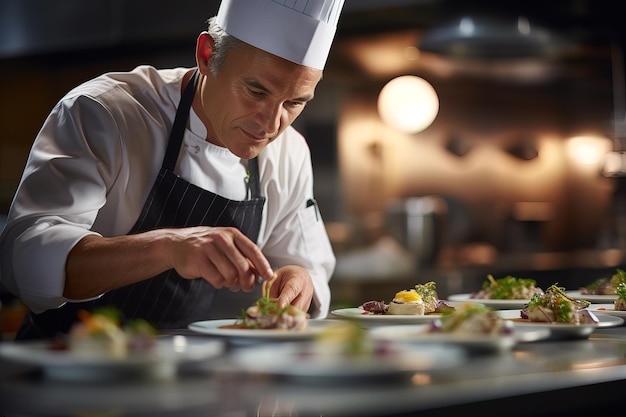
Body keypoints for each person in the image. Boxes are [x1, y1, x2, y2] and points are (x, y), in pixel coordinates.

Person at [0, 0, 345, 339]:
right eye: (256, 91)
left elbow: (308, 267)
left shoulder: (289, 152)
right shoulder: (104, 113)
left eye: (295, 102)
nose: (272, 124)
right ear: (207, 55)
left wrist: (298, 283)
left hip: (184, 371)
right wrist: (167, 247)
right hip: (61, 367)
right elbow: (25, 260)